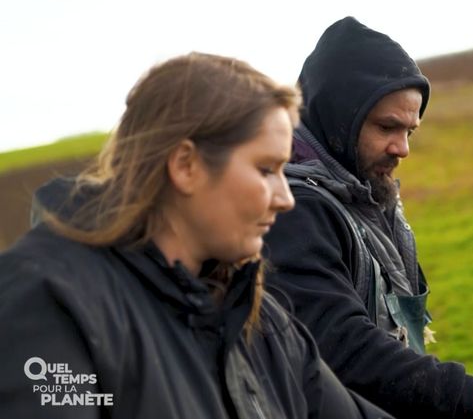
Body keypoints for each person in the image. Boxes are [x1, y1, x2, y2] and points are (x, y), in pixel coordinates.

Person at [0, 52, 393, 419]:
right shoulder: (48, 301)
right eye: (266, 170)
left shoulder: (257, 319)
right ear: (185, 165)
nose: (286, 198)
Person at [262, 16, 473, 419]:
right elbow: (342, 350)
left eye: (410, 132)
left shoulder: (360, 189)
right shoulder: (292, 210)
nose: (402, 149)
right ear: (337, 117)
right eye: (387, 127)